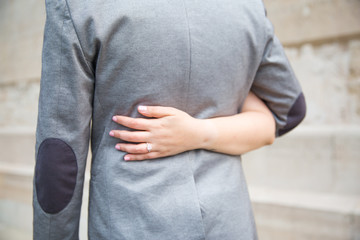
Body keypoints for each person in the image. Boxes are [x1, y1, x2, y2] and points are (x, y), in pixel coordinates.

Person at [33, 0, 306, 239]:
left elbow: (57, 157)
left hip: (134, 225)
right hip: (230, 223)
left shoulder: (80, 6)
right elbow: (291, 109)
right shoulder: (247, 7)